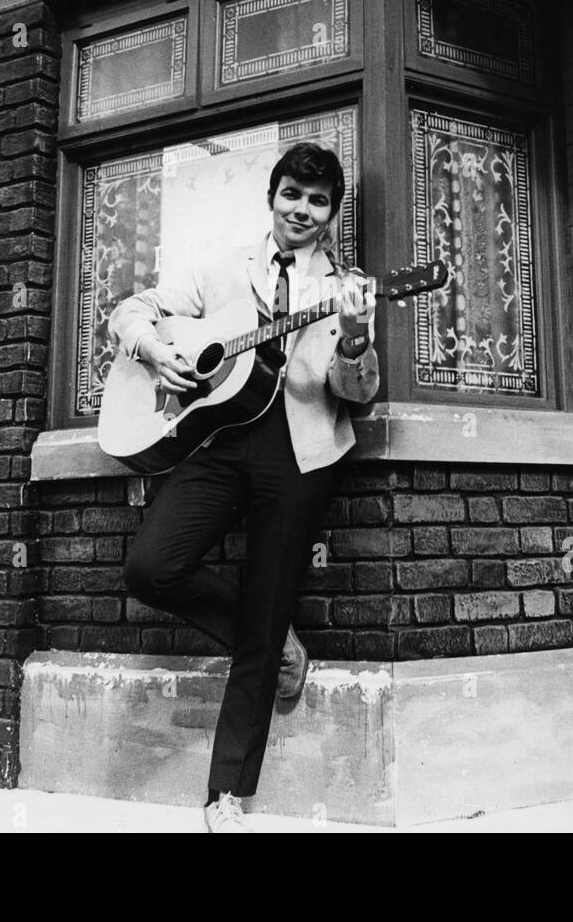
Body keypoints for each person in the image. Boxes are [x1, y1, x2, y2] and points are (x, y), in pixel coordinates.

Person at [108, 141, 379, 833]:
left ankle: (225, 795)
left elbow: (360, 395)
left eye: (318, 201)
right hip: (222, 439)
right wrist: (158, 352)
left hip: (300, 451)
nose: (302, 209)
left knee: (263, 612)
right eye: (293, 193)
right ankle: (271, 638)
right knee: (151, 566)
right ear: (273, 196)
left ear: (331, 214)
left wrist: (352, 340)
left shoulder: (344, 286)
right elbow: (130, 309)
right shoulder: (226, 267)